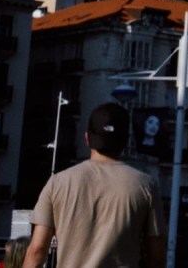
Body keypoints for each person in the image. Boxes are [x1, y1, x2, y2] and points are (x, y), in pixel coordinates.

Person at [24, 103, 166, 268]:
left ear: (87, 138)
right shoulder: (146, 185)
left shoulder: (58, 183)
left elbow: (37, 251)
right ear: (125, 141)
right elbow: (157, 257)